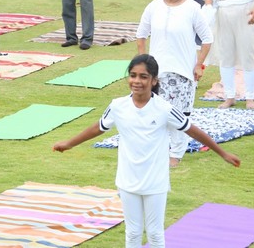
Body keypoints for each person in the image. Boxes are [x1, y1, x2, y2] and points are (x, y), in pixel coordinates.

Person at [53, 54, 240, 248]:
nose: (137, 81)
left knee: (155, 233)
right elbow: (98, 127)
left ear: (154, 80)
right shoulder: (118, 106)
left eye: (143, 76)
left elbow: (192, 130)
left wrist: (223, 153)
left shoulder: (164, 108)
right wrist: (69, 143)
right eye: (133, 75)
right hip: (127, 179)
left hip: (155, 181)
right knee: (133, 232)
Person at [136, 0, 213, 167]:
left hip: (183, 70)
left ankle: (176, 154)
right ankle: (157, 150)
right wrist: (142, 60)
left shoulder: (192, 8)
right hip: (157, 71)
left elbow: (207, 39)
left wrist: (199, 64)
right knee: (155, 113)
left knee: (179, 113)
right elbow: (141, 34)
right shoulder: (154, 6)